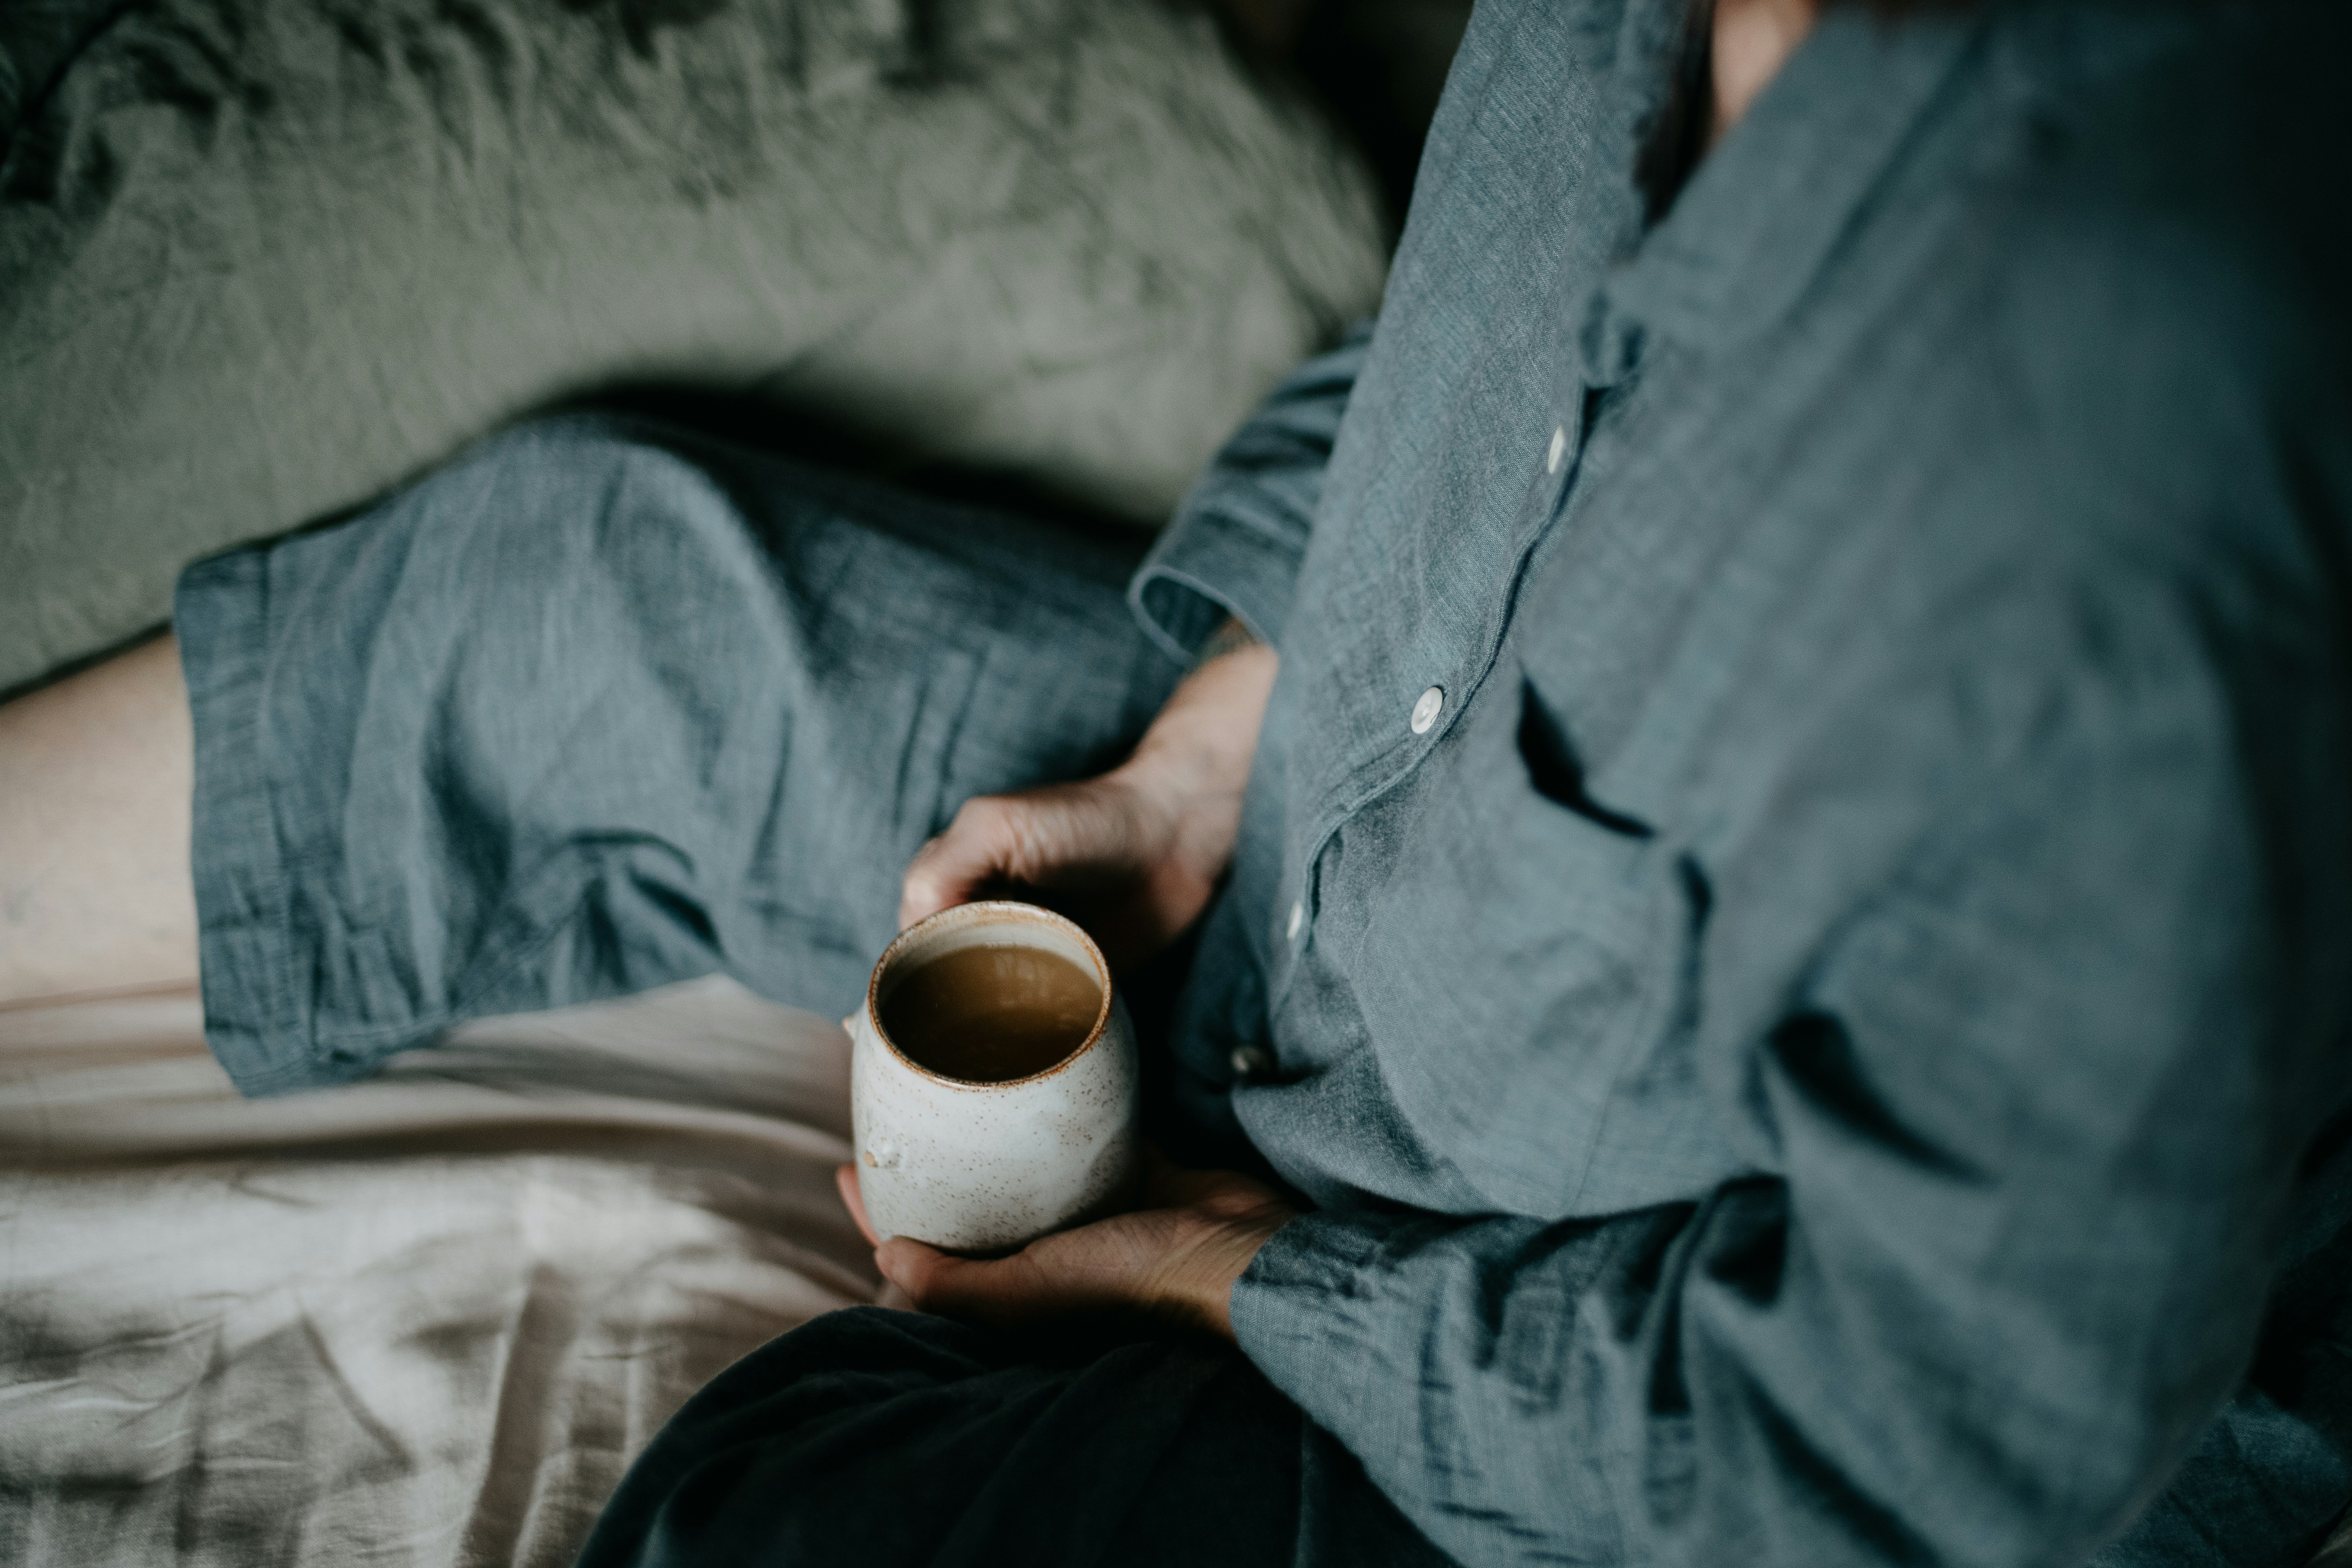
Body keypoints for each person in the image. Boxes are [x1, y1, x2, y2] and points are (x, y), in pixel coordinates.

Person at [4, 0, 2349, 1563]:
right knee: (577, 582)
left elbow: (1907, 1451)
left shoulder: (2142, 396)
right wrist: (1200, 756)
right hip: (1308, 906)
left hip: (1616, 1308)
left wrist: (1240, 1284)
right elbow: (1452, 370)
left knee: (790, 1524)